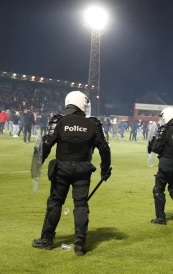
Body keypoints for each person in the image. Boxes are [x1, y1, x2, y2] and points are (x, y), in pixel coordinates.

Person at [31, 91, 112, 256]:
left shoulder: (59, 121)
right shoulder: (93, 124)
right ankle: (80, 245)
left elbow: (45, 144)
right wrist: (105, 169)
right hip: (83, 170)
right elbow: (104, 148)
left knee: (55, 203)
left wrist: (37, 165)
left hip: (62, 169)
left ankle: (47, 240)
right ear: (83, 104)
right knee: (81, 204)